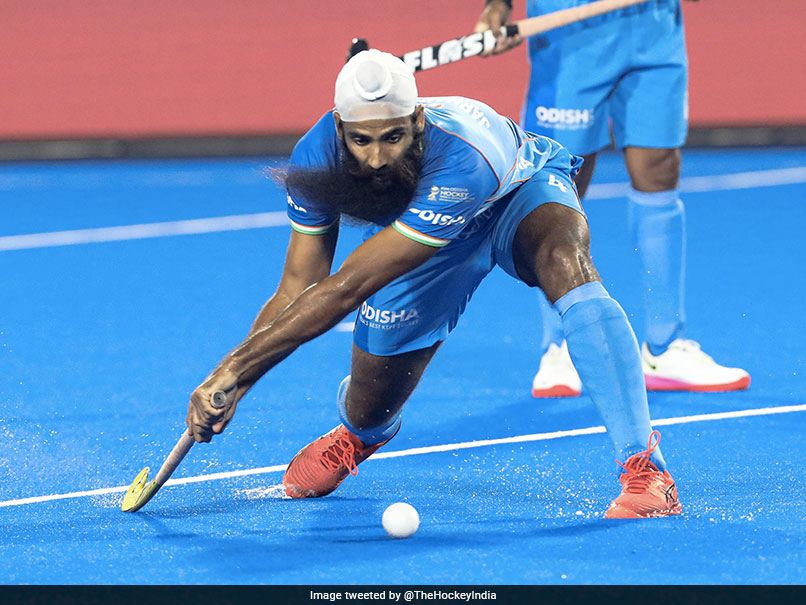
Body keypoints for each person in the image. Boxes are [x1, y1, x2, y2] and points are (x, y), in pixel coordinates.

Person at [186, 49, 681, 518]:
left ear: (418, 121)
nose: (377, 159)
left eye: (393, 138)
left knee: (565, 260)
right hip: (423, 232)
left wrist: (233, 370)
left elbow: (349, 287)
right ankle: (360, 435)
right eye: (361, 141)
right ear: (339, 127)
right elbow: (298, 286)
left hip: (517, 194)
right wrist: (235, 382)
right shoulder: (315, 156)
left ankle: (645, 469)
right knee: (369, 406)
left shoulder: (463, 158)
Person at [475, 0, 750, 397]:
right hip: (572, 30)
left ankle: (664, 347)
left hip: (654, 27)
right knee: (559, 181)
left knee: (659, 169)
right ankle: (562, 347)